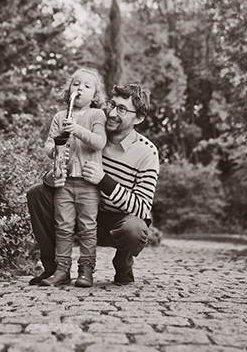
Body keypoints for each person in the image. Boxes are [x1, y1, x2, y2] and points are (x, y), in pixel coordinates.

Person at [28, 83, 159, 287]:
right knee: (38, 192)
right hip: (78, 209)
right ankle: (54, 269)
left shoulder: (147, 152)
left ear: (139, 118)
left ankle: (123, 264)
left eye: (122, 109)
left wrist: (104, 180)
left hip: (115, 223)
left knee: (135, 228)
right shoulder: (91, 135)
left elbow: (142, 207)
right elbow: (63, 161)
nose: (113, 113)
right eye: (112, 105)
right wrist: (51, 178)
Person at [38, 67, 108, 288]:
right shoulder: (60, 117)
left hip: (88, 184)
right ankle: (61, 270)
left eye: (87, 86)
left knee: (88, 227)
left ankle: (86, 270)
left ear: (95, 95)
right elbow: (49, 143)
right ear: (69, 89)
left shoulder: (97, 115)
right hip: (64, 182)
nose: (80, 89)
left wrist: (76, 129)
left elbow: (99, 142)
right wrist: (52, 150)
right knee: (63, 227)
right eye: (76, 84)